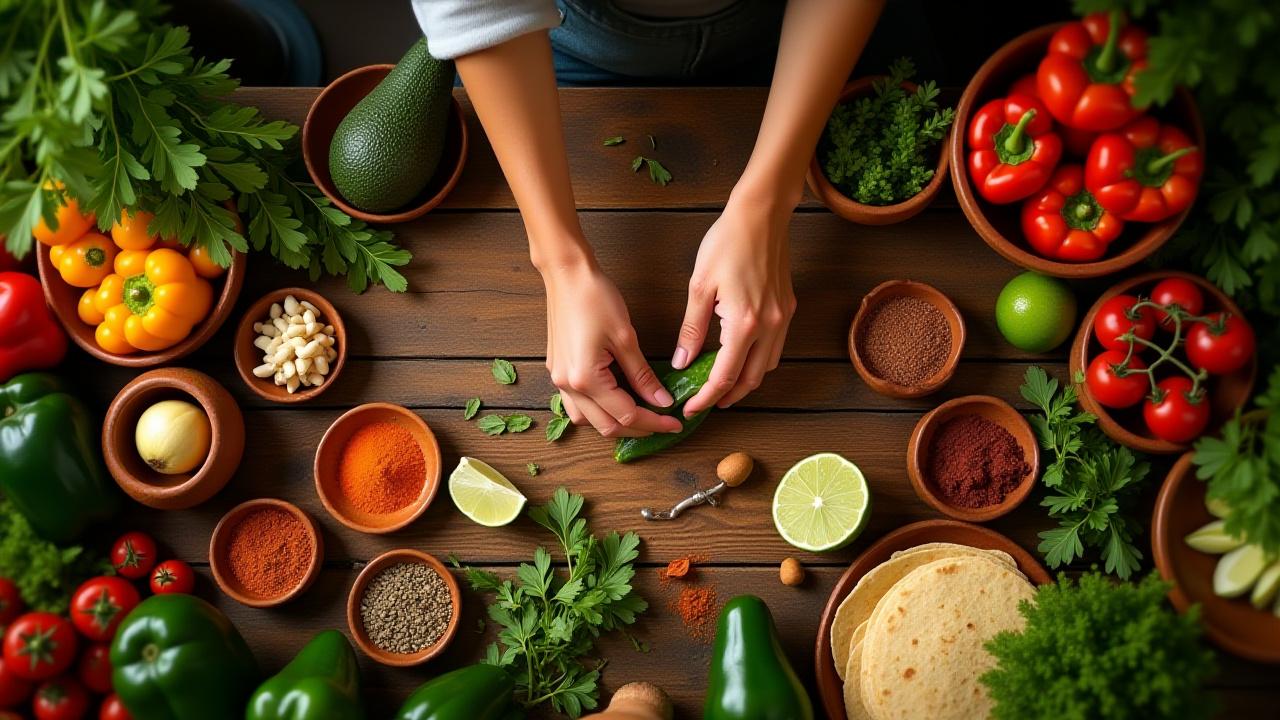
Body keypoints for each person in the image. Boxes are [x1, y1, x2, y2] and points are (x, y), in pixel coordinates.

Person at [412, 0, 886, 438]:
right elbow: (476, 8)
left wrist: (767, 201)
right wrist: (562, 266)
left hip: (803, 30)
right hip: (553, 43)